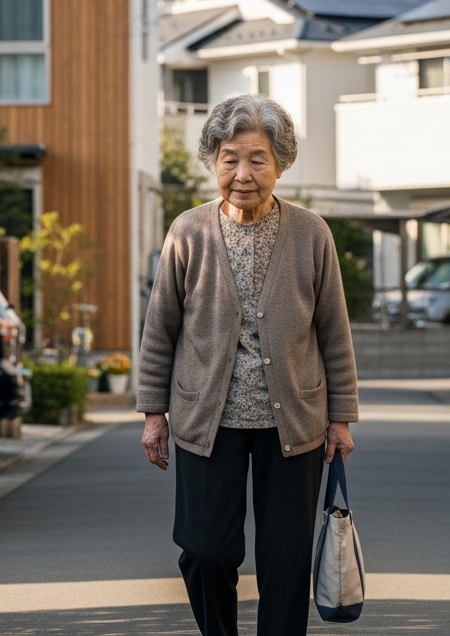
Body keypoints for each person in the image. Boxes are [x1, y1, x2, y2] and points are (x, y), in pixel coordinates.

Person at [137, 93, 359, 636]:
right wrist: (153, 413)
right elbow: (160, 329)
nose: (243, 174)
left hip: (295, 422)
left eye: (257, 159)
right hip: (206, 420)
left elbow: (334, 330)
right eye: (230, 158)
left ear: (280, 164)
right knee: (205, 550)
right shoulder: (188, 232)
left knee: (286, 559)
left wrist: (341, 417)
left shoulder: (312, 233)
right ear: (213, 161)